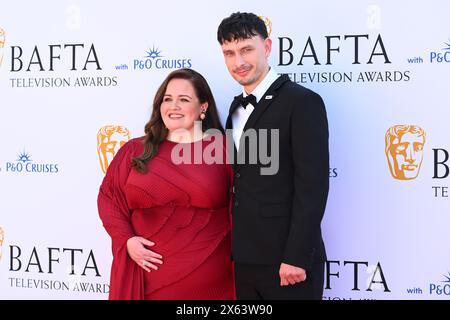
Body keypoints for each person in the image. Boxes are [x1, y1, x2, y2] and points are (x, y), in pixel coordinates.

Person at [217, 12, 329, 299]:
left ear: (266, 47)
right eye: (229, 53)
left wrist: (296, 256)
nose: (238, 62)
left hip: (288, 263)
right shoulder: (234, 110)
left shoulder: (302, 102)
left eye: (246, 50)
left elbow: (313, 186)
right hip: (245, 260)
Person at [97, 68, 234, 300]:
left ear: (203, 107)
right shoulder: (134, 150)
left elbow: (247, 205)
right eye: (167, 99)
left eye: (184, 99)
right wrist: (126, 240)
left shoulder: (224, 150)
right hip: (145, 276)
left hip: (210, 282)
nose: (173, 106)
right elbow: (109, 198)